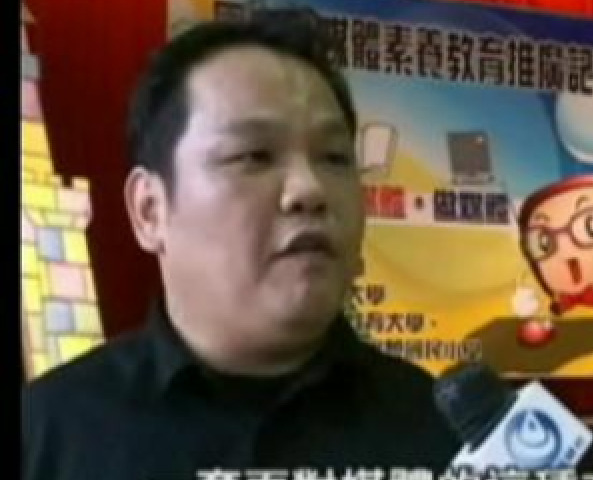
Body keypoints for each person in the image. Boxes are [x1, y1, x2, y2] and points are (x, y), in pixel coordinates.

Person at [22, 8, 460, 480]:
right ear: (149, 210)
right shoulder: (48, 434)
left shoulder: (442, 433)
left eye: (334, 157)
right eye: (254, 156)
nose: (309, 189)